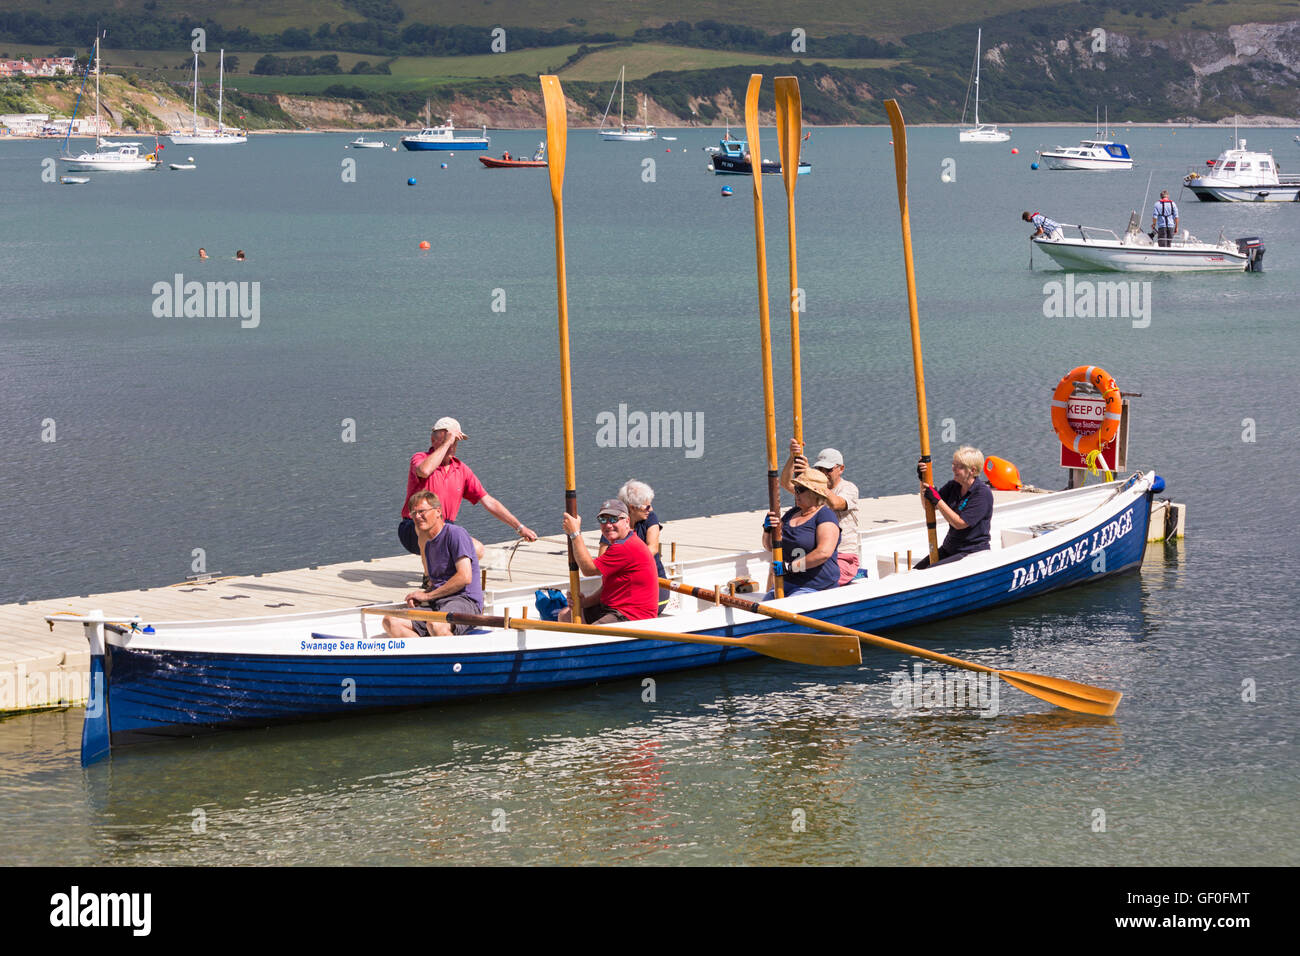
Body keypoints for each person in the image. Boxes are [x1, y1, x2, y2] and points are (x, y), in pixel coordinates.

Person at [397, 416, 537, 559]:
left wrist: (520, 527)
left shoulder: (461, 470)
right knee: (430, 529)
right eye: (448, 440)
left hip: (445, 528)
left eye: (455, 441)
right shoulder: (420, 458)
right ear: (433, 441)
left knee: (476, 550)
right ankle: (430, 576)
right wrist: (447, 442)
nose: (452, 445)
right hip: (413, 527)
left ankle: (444, 573)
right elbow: (424, 471)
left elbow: (488, 501)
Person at [383, 491, 483, 637]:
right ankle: (424, 658)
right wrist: (422, 595)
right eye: (414, 513)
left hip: (464, 601)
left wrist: (428, 597)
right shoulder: (428, 545)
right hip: (438, 604)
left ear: (438, 512)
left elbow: (464, 577)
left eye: (422, 511)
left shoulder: (455, 534)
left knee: (435, 624)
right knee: (390, 621)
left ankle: (456, 656)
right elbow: (437, 583)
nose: (417, 517)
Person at [560, 499, 658, 625]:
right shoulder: (618, 544)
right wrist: (585, 602)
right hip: (612, 607)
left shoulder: (626, 547)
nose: (608, 525)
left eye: (613, 519)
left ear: (627, 521)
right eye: (603, 520)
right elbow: (608, 587)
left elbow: (588, 569)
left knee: (590, 633)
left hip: (633, 615)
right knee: (565, 616)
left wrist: (575, 533)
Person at [779, 440, 861, 585]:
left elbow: (835, 503)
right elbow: (786, 483)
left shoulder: (849, 488)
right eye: (820, 470)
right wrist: (792, 457)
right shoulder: (810, 491)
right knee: (777, 569)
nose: (824, 473)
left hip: (842, 556)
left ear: (841, 469)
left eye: (828, 470)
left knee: (817, 580)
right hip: (813, 554)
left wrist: (813, 479)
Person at [761, 468, 840, 600]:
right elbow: (770, 547)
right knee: (767, 603)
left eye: (800, 490)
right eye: (796, 489)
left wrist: (790, 567)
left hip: (815, 586)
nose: (796, 493)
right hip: (787, 583)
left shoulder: (825, 516)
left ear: (815, 493)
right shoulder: (791, 514)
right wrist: (767, 530)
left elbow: (823, 553)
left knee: (789, 605)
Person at [915, 445, 994, 569]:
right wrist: (922, 478)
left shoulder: (982, 494)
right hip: (949, 548)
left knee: (929, 573)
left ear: (972, 470)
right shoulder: (953, 486)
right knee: (917, 571)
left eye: (959, 467)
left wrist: (938, 500)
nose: (954, 469)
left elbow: (960, 523)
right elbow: (927, 506)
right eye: (954, 464)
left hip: (970, 552)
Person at [600, 479, 668, 612]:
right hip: (624, 586)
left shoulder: (650, 517)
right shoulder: (614, 523)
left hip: (655, 585)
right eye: (647, 506)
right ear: (632, 507)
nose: (651, 509)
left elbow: (653, 547)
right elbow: (602, 558)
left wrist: (628, 564)